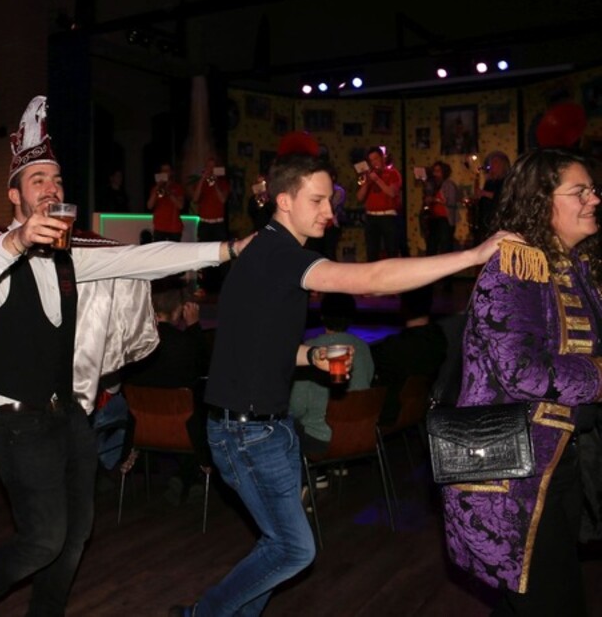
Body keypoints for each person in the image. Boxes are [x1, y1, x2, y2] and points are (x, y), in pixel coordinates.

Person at [0, 96, 250, 617]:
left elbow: (143, 257)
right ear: (14, 194)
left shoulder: (71, 257)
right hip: (18, 420)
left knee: (75, 536)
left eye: (57, 180)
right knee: (43, 539)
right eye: (38, 180)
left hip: (69, 416)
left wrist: (227, 251)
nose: (52, 188)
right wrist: (18, 240)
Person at [169, 152, 508, 617]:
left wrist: (310, 355)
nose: (330, 211)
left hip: (266, 426)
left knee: (278, 547)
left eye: (331, 200)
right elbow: (374, 279)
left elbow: (255, 342)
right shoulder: (278, 252)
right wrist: (473, 255)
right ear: (284, 201)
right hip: (246, 433)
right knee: (293, 550)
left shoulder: (265, 252)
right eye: (318, 200)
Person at [442, 149, 602, 616]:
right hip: (513, 472)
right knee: (552, 601)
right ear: (541, 201)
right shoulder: (517, 266)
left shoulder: (573, 265)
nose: (594, 199)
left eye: (593, 190)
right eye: (580, 192)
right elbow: (521, 371)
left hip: (560, 459)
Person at [123, 276, 211, 505]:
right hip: (186, 431)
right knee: (200, 407)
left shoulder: (134, 344)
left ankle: (185, 477)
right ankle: (189, 476)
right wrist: (194, 328)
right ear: (179, 309)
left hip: (142, 429)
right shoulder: (185, 343)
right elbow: (204, 369)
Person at [289, 293, 373, 458]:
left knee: (281, 423)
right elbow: (367, 384)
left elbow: (297, 407)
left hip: (321, 440)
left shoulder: (311, 351)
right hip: (360, 432)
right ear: (351, 317)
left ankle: (312, 474)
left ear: (322, 316)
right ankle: (337, 466)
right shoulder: (363, 348)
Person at [370, 285, 447, 426]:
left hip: (390, 415)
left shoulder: (393, 347)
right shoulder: (439, 340)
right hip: (420, 412)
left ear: (403, 306)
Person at [191, 156, 230, 294]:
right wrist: (203, 179)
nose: (211, 170)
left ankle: (224, 287)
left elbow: (223, 199)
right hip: (205, 224)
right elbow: (195, 198)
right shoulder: (201, 183)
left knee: (222, 256)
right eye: (208, 167)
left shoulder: (223, 183)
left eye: (213, 167)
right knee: (204, 255)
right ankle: (204, 286)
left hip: (218, 224)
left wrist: (215, 183)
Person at [356, 146, 402, 261]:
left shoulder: (393, 173)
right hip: (371, 217)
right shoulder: (367, 176)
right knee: (371, 252)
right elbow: (359, 197)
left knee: (391, 250)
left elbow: (392, 193)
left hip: (388, 216)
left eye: (376, 158)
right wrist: (368, 183)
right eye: (371, 160)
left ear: (382, 158)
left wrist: (377, 180)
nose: (374, 162)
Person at [424, 160, 458, 256]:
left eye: (438, 171)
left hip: (445, 219)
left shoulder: (449, 184)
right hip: (434, 218)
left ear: (444, 172)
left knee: (445, 247)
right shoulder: (433, 185)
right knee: (431, 246)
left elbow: (451, 202)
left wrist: (435, 199)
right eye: (434, 171)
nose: (435, 174)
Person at [476, 150, 511, 242]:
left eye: (495, 162)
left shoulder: (507, 181)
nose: (491, 165)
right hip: (486, 219)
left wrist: (485, 193)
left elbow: (504, 197)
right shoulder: (489, 181)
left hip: (499, 219)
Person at [147, 162, 185, 242]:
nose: (164, 173)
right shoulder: (156, 188)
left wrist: (168, 191)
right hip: (159, 227)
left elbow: (180, 206)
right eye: (163, 170)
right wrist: (157, 187)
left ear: (171, 172)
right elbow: (149, 206)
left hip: (174, 228)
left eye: (167, 170)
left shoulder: (177, 187)